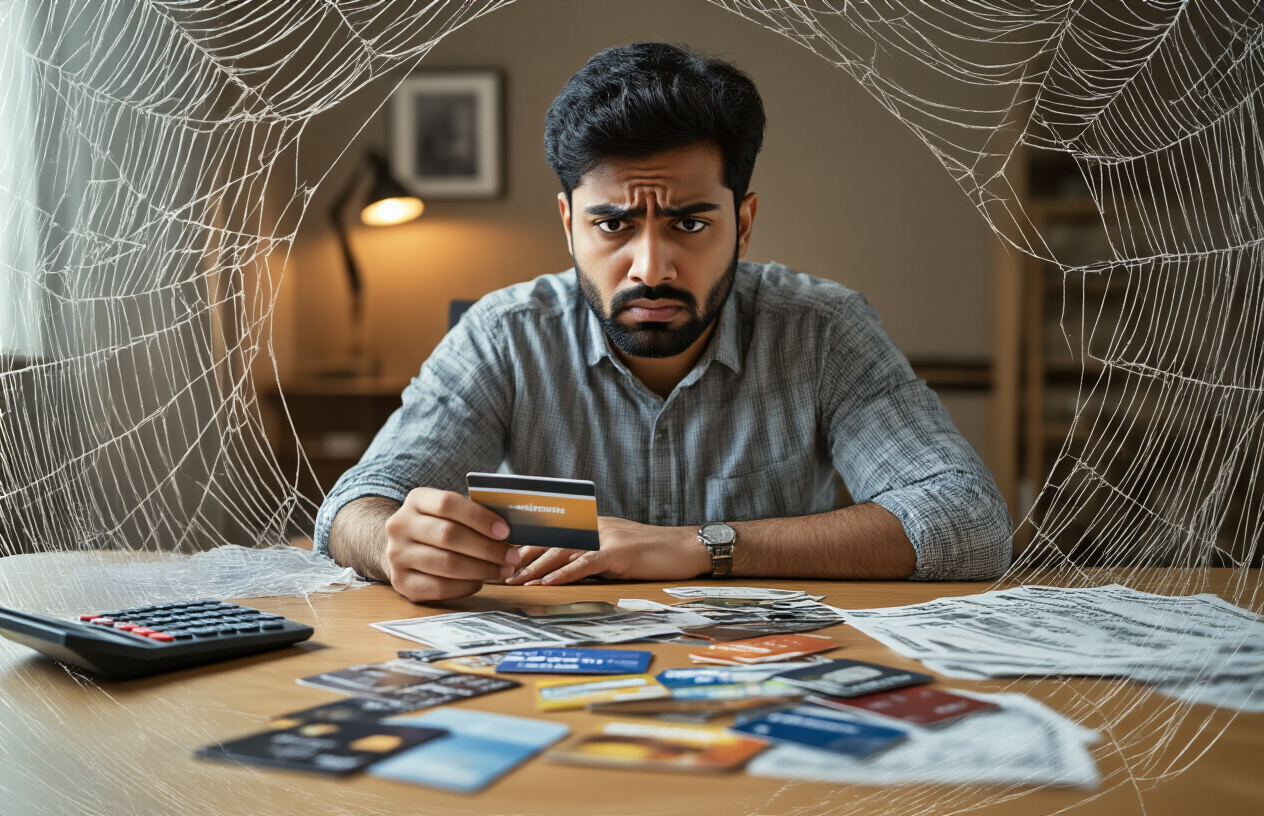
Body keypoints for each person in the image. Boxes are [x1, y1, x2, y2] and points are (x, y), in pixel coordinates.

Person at [316, 42, 1012, 602]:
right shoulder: (503, 335)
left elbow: (971, 522)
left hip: (770, 683)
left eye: (690, 223)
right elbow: (353, 507)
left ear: (742, 222)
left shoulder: (824, 330)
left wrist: (695, 546)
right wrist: (390, 542)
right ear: (568, 226)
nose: (651, 267)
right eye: (613, 224)